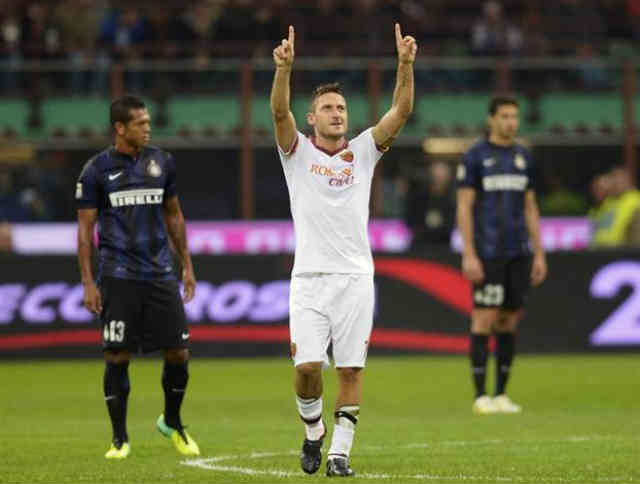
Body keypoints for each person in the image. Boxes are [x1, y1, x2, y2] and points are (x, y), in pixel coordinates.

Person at [270, 24, 416, 477]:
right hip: (309, 279)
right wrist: (284, 71)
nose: (336, 113)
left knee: (351, 371)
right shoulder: (296, 153)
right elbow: (278, 113)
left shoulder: (364, 150)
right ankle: (313, 431)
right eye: (327, 108)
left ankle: (339, 455)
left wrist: (406, 65)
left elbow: (402, 111)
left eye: (341, 107)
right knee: (308, 369)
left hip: (355, 277)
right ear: (311, 118)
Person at [75, 95, 199, 459]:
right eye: (140, 123)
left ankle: (172, 422)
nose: (148, 128)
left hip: (160, 273)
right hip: (118, 275)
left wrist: (187, 264)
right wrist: (87, 281)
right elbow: (85, 232)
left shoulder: (162, 162)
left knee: (179, 352)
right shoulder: (96, 171)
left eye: (148, 122)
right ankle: (119, 438)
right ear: (120, 128)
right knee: (117, 356)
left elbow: (174, 216)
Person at [456, 95, 547, 415]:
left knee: (509, 320)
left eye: (514, 116)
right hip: (488, 252)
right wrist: (469, 252)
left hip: (519, 252)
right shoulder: (476, 156)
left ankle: (501, 394)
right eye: (505, 116)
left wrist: (539, 252)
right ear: (492, 119)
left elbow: (530, 207)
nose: (511, 122)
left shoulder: (524, 157)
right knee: (484, 318)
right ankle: (481, 396)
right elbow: (465, 206)